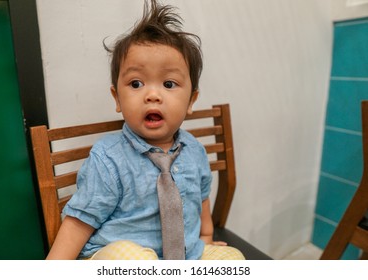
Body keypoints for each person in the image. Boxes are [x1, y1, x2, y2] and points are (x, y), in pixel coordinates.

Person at [46, 0, 244, 260]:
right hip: (115, 258)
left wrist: (205, 240)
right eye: (136, 83)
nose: (152, 94)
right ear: (117, 98)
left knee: (233, 259)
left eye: (169, 83)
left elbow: (201, 199)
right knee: (133, 258)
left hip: (183, 257)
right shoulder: (108, 158)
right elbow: (78, 222)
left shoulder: (194, 151)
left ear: (191, 101)